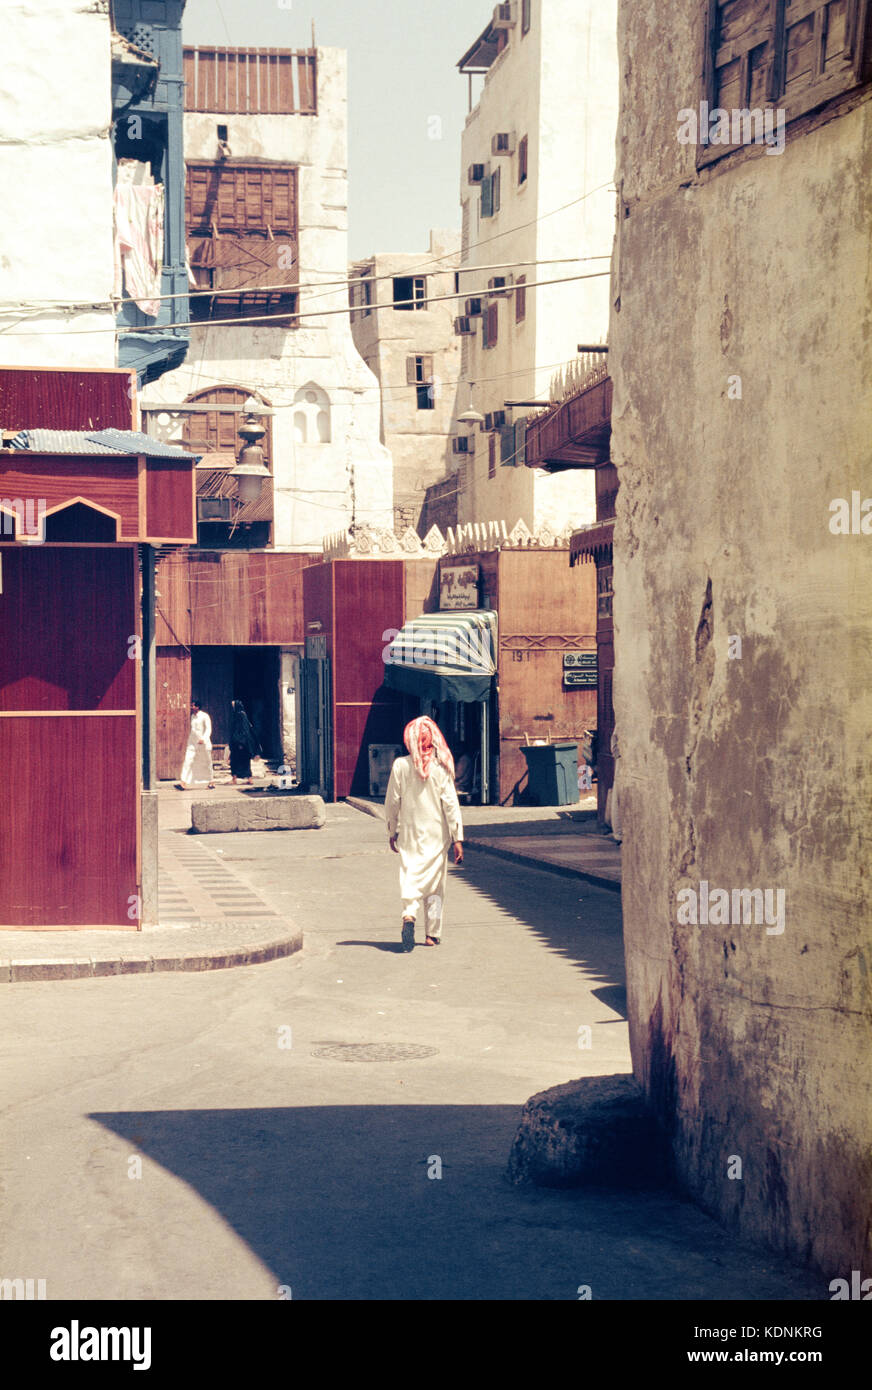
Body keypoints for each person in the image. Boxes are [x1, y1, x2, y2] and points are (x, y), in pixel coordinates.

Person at [385, 716, 464, 952]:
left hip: (409, 833)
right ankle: (432, 934)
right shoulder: (441, 768)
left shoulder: (401, 765)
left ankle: (409, 914)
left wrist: (392, 830)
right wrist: (458, 838)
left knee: (410, 876)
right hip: (437, 837)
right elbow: (451, 805)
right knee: (435, 886)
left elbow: (392, 802)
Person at [177, 700, 215, 790]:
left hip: (203, 743)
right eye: (191, 706)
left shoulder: (204, 716)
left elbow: (208, 729)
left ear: (198, 707)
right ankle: (183, 782)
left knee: (207, 762)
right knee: (188, 760)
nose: (191, 707)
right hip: (192, 743)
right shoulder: (192, 717)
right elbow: (193, 730)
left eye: (193, 706)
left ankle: (211, 781)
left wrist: (204, 738)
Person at [229, 699, 258, 784]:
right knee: (240, 761)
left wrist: (241, 742)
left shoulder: (240, 716)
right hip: (239, 743)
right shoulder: (238, 715)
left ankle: (245, 778)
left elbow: (243, 730)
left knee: (239, 761)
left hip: (241, 743)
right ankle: (241, 778)